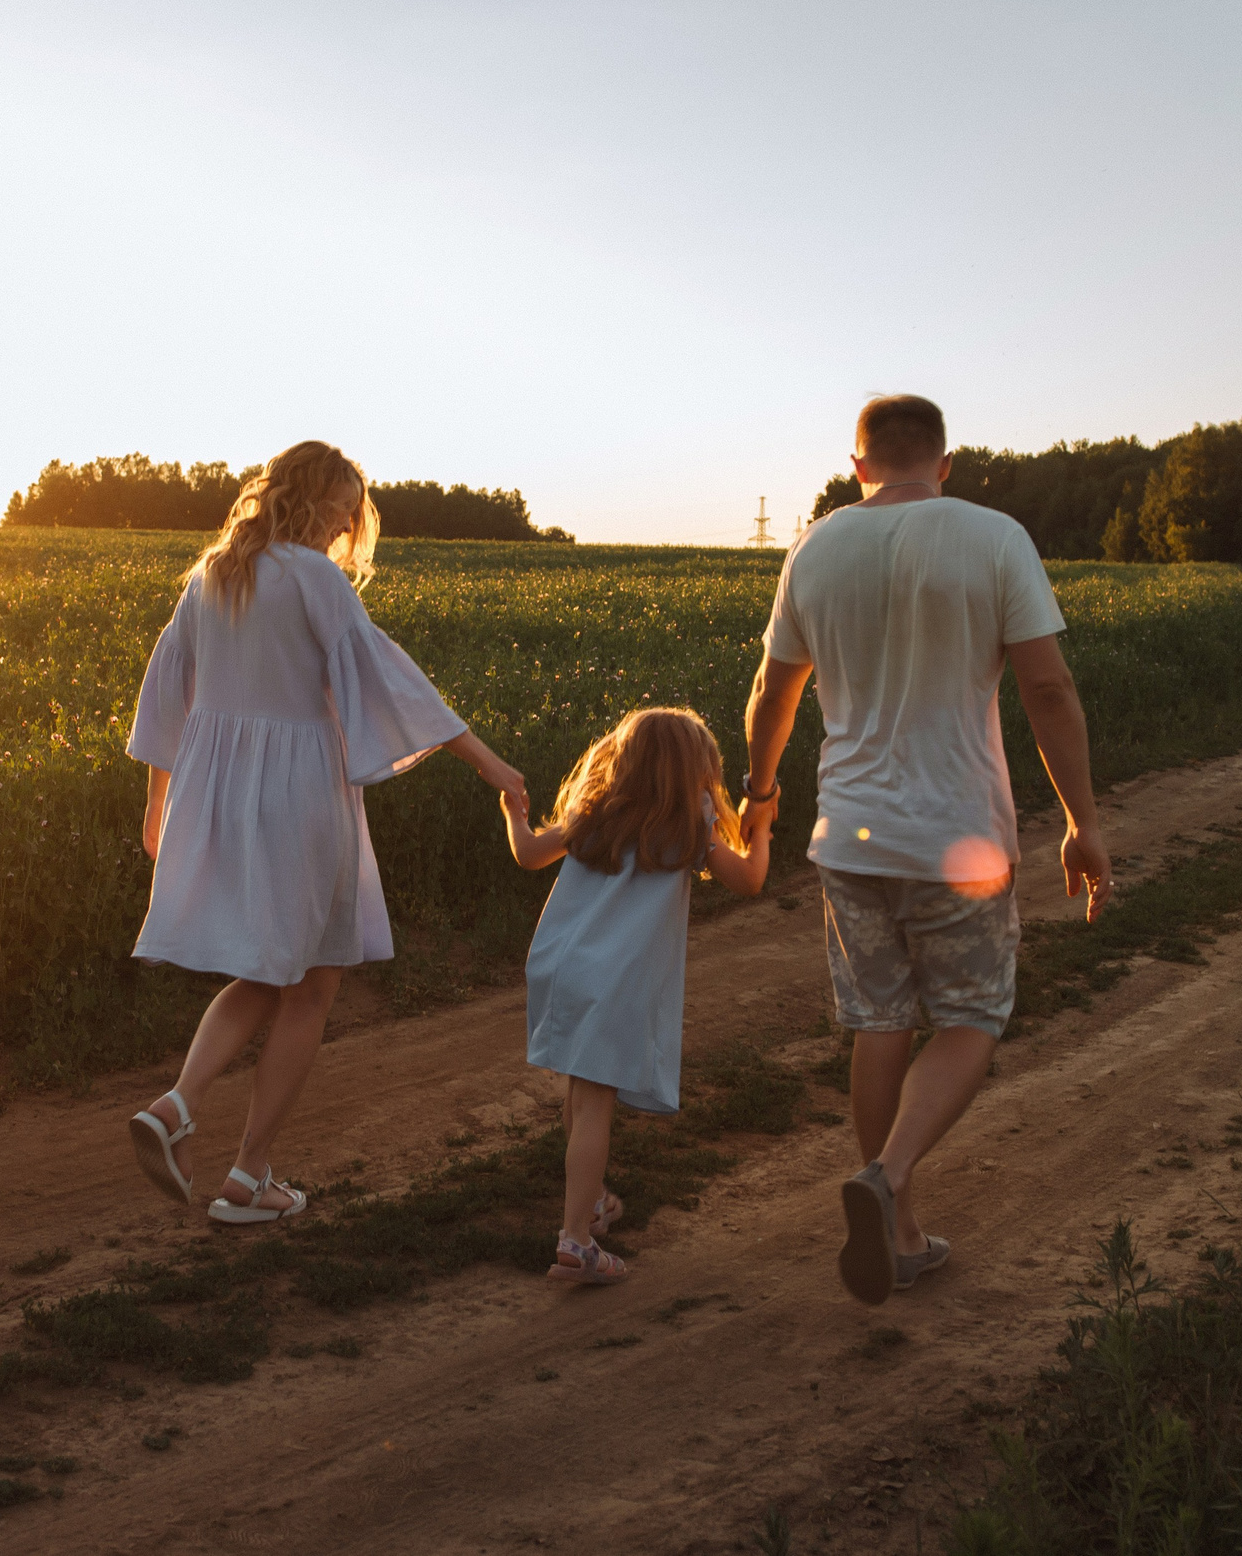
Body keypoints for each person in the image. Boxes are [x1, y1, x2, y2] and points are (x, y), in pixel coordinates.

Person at [740, 394, 1112, 1305]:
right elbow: (1049, 690)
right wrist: (1082, 820)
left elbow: (770, 697)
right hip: (958, 835)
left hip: (849, 831)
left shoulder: (815, 548)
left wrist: (759, 796)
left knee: (880, 1018)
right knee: (972, 1015)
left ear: (858, 464)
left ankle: (898, 1233)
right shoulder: (993, 536)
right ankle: (892, 1176)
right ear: (945, 463)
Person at [124, 440, 527, 1224]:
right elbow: (387, 676)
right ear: (314, 504)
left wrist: (157, 803)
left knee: (268, 967)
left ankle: (179, 1106)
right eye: (344, 511)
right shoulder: (315, 578)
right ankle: (247, 1173)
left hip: (222, 794)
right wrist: (489, 764)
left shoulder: (214, 573)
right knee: (315, 981)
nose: (348, 528)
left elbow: (165, 691)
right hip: (302, 795)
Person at [501, 707, 773, 1284]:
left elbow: (526, 853)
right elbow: (750, 880)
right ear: (696, 771)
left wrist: (513, 815)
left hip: (560, 964)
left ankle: (593, 1202)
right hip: (615, 978)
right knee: (596, 1098)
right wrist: (762, 829)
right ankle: (576, 1241)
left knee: (579, 1088)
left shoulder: (595, 810)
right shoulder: (690, 822)